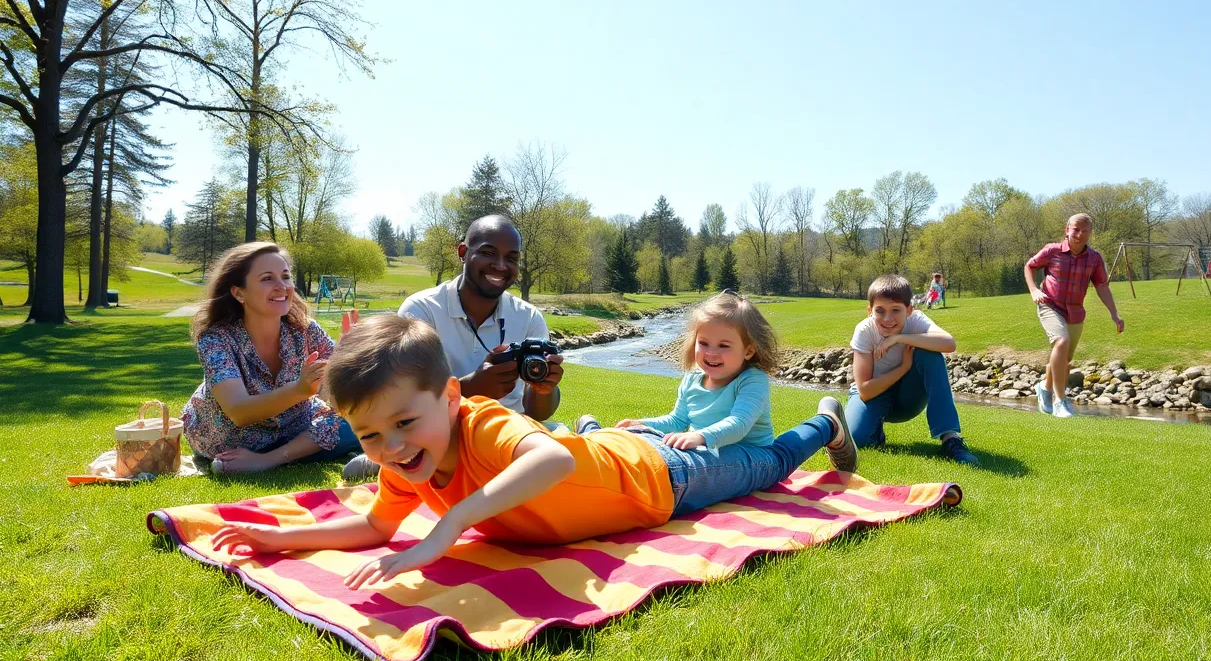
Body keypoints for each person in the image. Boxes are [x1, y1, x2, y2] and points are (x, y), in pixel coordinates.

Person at [209, 314, 858, 587]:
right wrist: (281, 541)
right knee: (591, 438)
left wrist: (448, 529)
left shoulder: (482, 424)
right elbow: (379, 525)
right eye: (371, 434)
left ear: (452, 398)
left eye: (404, 422)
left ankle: (825, 426)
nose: (389, 448)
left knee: (766, 465)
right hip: (619, 449)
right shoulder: (410, 458)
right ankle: (595, 424)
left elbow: (552, 460)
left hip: (665, 476)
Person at [342, 215, 564, 481]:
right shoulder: (421, 311)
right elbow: (402, 398)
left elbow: (537, 413)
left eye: (512, 258)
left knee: (562, 442)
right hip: (437, 434)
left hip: (507, 430)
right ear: (462, 253)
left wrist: (544, 388)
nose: (501, 266)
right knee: (355, 469)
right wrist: (471, 389)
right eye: (488, 253)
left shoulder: (528, 317)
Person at [182, 242, 360, 474]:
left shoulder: (305, 330)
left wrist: (351, 357)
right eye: (267, 278)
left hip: (296, 427)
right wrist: (299, 390)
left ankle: (269, 459)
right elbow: (238, 411)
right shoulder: (216, 339)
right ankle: (298, 452)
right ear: (238, 293)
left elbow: (341, 391)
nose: (282, 286)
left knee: (360, 419)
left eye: (285, 277)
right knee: (351, 428)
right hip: (232, 437)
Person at [575, 291, 778, 453]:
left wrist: (699, 437)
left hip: (751, 457)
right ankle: (600, 445)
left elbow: (739, 424)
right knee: (653, 440)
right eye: (704, 343)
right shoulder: (693, 378)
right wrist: (641, 424)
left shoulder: (751, 380)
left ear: (748, 351)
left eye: (724, 346)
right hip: (706, 450)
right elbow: (677, 421)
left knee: (674, 456)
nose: (711, 353)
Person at [843, 274, 979, 465]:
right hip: (873, 395)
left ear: (909, 310)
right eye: (880, 311)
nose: (887, 318)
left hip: (907, 398)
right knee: (857, 440)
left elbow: (949, 343)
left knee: (931, 354)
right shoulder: (865, 330)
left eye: (896, 310)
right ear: (869, 311)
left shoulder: (915, 321)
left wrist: (899, 339)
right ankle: (874, 431)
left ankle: (951, 439)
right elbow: (865, 390)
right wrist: (904, 367)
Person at [1024, 213, 1124, 418]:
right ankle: (1060, 402)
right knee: (1061, 341)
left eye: (1085, 230)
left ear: (1089, 233)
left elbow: (1102, 286)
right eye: (1076, 229)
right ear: (1067, 230)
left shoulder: (1094, 258)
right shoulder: (1052, 250)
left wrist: (1114, 314)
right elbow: (1029, 266)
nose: (1079, 234)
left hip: (1076, 311)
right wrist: (1034, 290)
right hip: (1049, 305)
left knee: (1064, 360)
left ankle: (1044, 387)